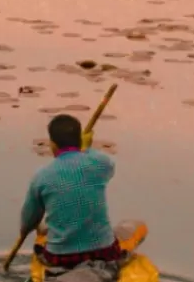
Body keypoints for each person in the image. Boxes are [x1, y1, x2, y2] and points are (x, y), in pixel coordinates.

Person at [19, 113, 122, 268]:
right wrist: (86, 149)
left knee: (44, 230)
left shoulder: (41, 177)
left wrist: (27, 230)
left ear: (52, 144)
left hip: (60, 257)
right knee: (134, 226)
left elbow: (28, 221)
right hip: (103, 253)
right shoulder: (100, 163)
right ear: (80, 140)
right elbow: (108, 166)